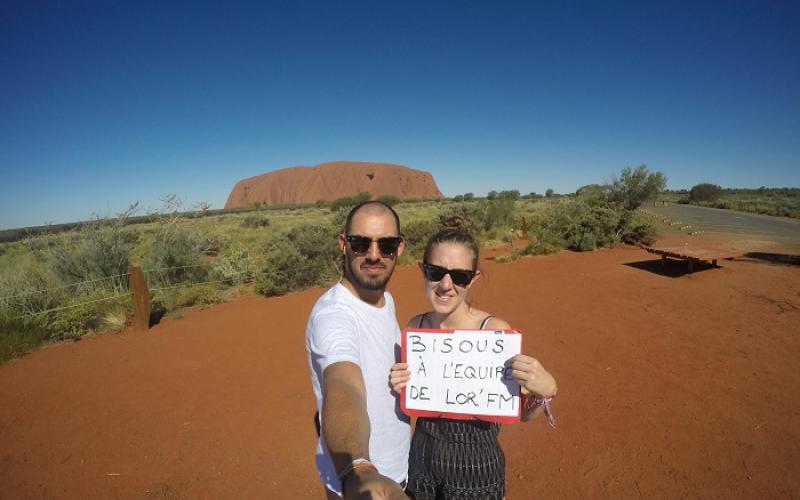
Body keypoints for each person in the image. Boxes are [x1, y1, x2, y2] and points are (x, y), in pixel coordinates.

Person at [389, 227, 558, 500]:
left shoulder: (494, 332)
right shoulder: (415, 328)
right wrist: (399, 387)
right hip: (420, 459)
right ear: (422, 270)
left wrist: (545, 391)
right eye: (435, 272)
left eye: (459, 276)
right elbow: (409, 408)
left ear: (473, 279)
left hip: (476, 466)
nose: (446, 285)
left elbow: (522, 413)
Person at [305, 201, 411, 500]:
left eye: (386, 244)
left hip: (397, 465)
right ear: (343, 244)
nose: (374, 255)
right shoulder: (334, 315)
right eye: (360, 243)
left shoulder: (385, 299)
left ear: (400, 248)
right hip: (359, 484)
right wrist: (359, 470)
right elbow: (343, 383)